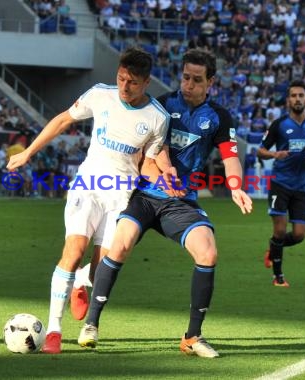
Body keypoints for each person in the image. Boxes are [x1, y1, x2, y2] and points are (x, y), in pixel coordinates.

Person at [77, 49, 253, 358]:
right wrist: (161, 177)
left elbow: (230, 158)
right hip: (144, 195)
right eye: (185, 77)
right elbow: (144, 154)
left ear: (210, 82)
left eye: (197, 80)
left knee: (208, 253)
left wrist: (236, 187)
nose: (188, 84)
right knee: (120, 245)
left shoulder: (219, 118)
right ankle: (91, 324)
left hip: (180, 203)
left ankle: (192, 337)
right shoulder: (160, 106)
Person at [6, 47, 170, 354]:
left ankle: (81, 279)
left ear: (146, 82)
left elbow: (147, 162)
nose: (124, 86)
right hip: (88, 186)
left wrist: (164, 181)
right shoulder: (100, 94)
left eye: (132, 82)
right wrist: (28, 153)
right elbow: (63, 121)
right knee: (74, 249)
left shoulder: (157, 118)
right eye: (121, 78)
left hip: (121, 197)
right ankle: (54, 331)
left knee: (100, 272)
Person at [258, 80, 305, 287]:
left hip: (302, 187)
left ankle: (273, 248)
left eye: (301, 95)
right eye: (294, 95)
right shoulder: (279, 125)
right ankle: (278, 277)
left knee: (299, 235)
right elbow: (260, 150)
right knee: (279, 230)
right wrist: (274, 154)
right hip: (280, 183)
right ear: (288, 100)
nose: (298, 99)